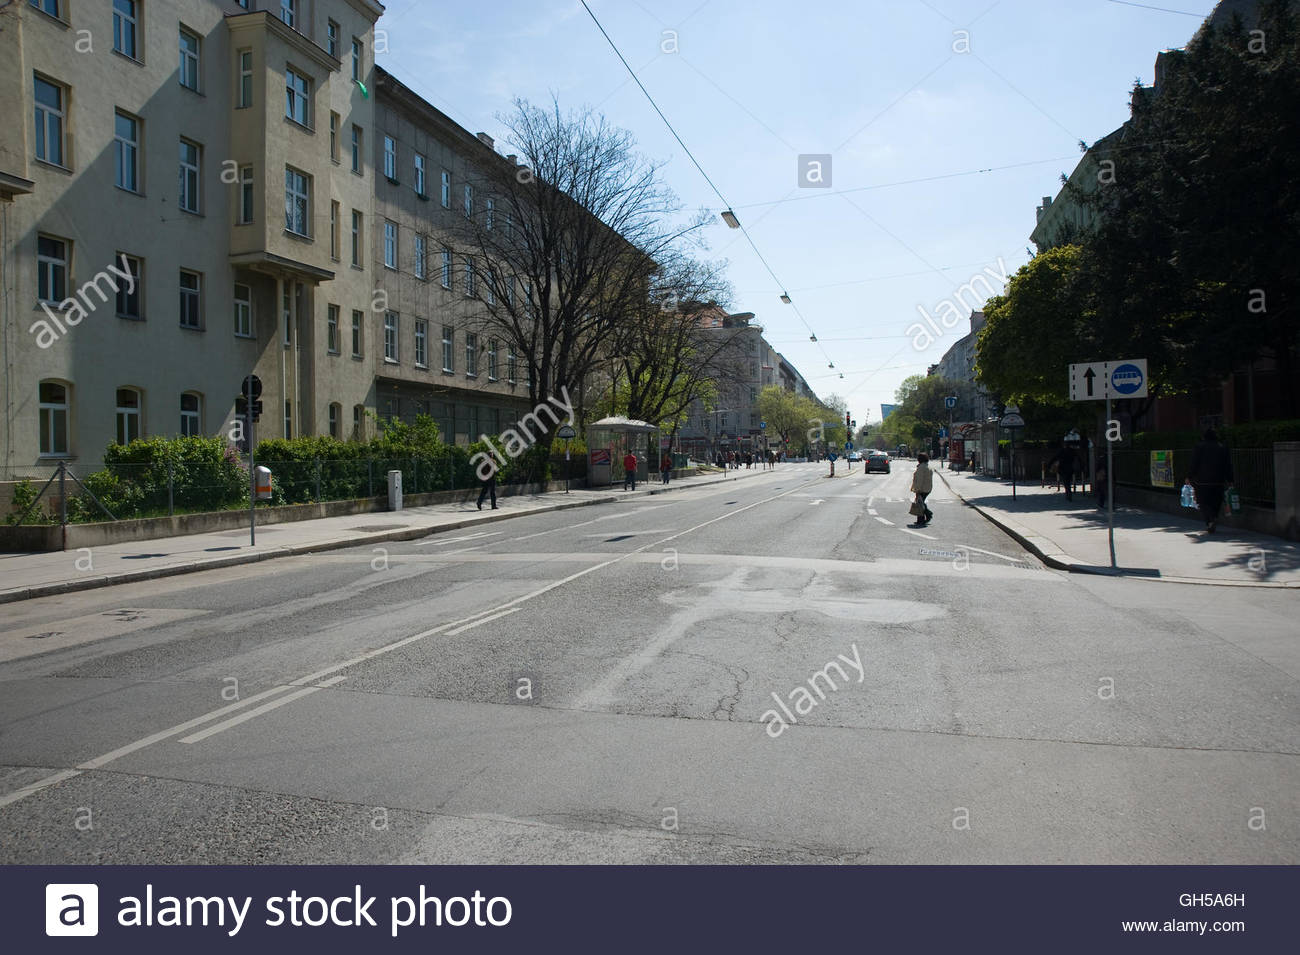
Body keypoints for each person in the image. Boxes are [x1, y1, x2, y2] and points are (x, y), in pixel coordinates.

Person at [1186, 428, 1234, 533]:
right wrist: (1230, 479)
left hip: (1202, 481)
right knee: (1216, 501)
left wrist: (1189, 476)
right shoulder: (1223, 447)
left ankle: (1210, 520)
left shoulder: (1199, 447)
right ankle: (1214, 517)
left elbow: (1194, 463)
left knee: (1203, 502)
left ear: (1204, 437)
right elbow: (1228, 465)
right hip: (1219, 480)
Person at [910, 452, 934, 526]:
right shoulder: (928, 467)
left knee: (920, 504)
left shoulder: (921, 468)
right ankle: (923, 518)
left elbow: (920, 480)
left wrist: (917, 489)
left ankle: (924, 517)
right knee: (921, 503)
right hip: (928, 488)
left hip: (922, 489)